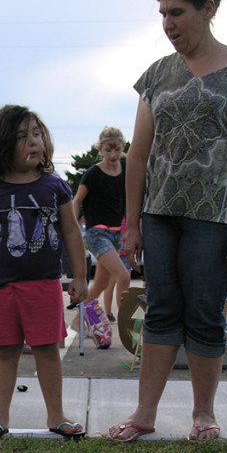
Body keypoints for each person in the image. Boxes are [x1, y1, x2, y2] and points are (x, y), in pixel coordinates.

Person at [109, 0, 227, 444]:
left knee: (204, 312)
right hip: (160, 214)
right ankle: (144, 414)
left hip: (217, 218)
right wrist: (133, 224)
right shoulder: (157, 74)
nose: (168, 23)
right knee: (161, 310)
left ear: (209, 9)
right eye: (162, 13)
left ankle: (203, 414)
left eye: (177, 12)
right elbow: (137, 155)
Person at [0, 105, 87, 440]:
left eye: (36, 134)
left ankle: (56, 415)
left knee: (47, 350)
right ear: (1, 144)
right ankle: (0, 415)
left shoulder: (54, 186)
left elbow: (72, 231)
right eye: (21, 137)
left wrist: (80, 276)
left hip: (44, 285)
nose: (32, 142)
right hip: (2, 288)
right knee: (5, 351)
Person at [72, 127, 130, 319]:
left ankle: (77, 323)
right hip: (97, 234)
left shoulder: (126, 169)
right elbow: (77, 201)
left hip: (116, 235)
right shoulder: (93, 174)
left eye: (117, 149)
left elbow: (130, 200)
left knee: (100, 284)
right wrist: (72, 226)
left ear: (123, 146)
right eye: (108, 149)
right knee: (123, 276)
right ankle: (125, 325)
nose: (113, 154)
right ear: (100, 149)